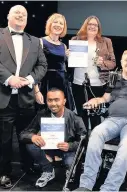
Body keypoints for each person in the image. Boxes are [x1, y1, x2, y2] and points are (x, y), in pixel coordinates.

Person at [74, 50, 127, 191]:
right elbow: (105, 98)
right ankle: (85, 185)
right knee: (95, 133)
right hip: (112, 120)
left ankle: (109, 188)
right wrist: (96, 100)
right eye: (126, 60)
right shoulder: (114, 78)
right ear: (121, 62)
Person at [0, 5, 47, 188]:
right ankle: (3, 172)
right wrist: (9, 78)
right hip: (3, 97)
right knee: (3, 139)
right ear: (8, 16)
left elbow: (42, 66)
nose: (20, 16)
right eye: (17, 13)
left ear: (27, 20)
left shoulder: (35, 41)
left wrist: (28, 79)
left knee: (25, 135)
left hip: (26, 97)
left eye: (24, 14)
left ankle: (28, 167)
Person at [20, 88, 86, 188]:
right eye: (50, 100)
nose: (53, 103)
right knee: (31, 145)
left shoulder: (75, 118)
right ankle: (48, 170)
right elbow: (23, 134)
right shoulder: (42, 114)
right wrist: (32, 137)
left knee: (70, 164)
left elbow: (84, 141)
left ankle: (69, 168)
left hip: (67, 150)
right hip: (48, 147)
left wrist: (70, 146)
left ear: (64, 101)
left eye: (56, 100)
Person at [71, 15, 116, 130]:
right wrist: (68, 56)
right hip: (78, 83)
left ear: (98, 28)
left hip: (97, 83)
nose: (92, 27)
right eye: (90, 24)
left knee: (95, 114)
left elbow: (113, 63)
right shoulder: (76, 40)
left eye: (95, 25)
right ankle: (83, 140)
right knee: (81, 113)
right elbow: (70, 62)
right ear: (85, 26)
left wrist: (103, 63)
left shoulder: (106, 41)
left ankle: (95, 140)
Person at [34, 13, 75, 111]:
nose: (58, 25)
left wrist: (69, 58)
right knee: (44, 114)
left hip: (62, 83)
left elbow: (65, 67)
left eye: (61, 23)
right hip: (45, 83)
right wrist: (36, 91)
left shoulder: (64, 46)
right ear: (50, 24)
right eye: (55, 22)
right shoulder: (40, 41)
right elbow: (34, 67)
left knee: (61, 115)